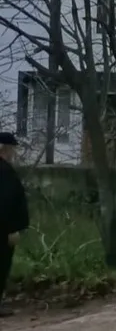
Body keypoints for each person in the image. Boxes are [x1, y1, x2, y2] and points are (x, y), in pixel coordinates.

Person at [0, 131, 28, 317]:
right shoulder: (4, 172)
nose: (13, 154)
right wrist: (11, 229)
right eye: (12, 149)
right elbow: (6, 201)